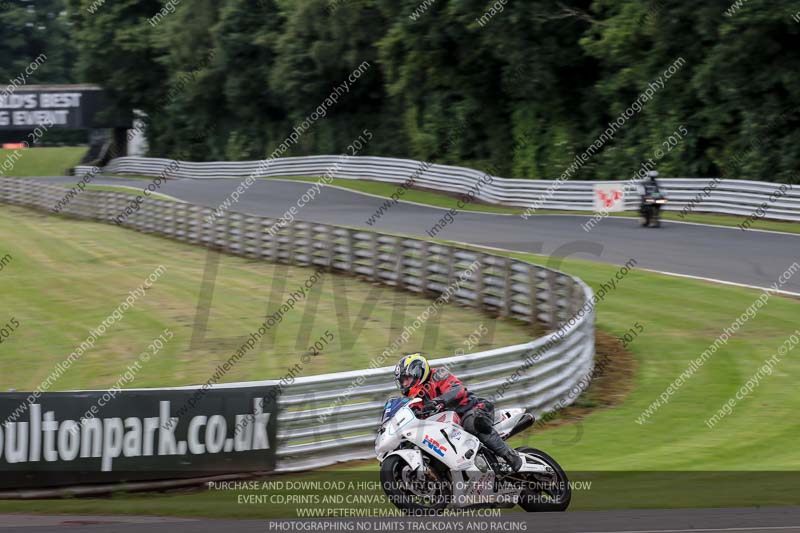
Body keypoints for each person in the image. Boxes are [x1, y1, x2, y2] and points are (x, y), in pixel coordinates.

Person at [393, 353, 523, 472]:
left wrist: (439, 401)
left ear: (417, 372)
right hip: (451, 425)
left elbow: (457, 390)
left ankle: (510, 455)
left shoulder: (438, 375)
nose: (404, 384)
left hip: (474, 409)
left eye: (407, 378)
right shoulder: (416, 400)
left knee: (472, 422)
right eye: (402, 382)